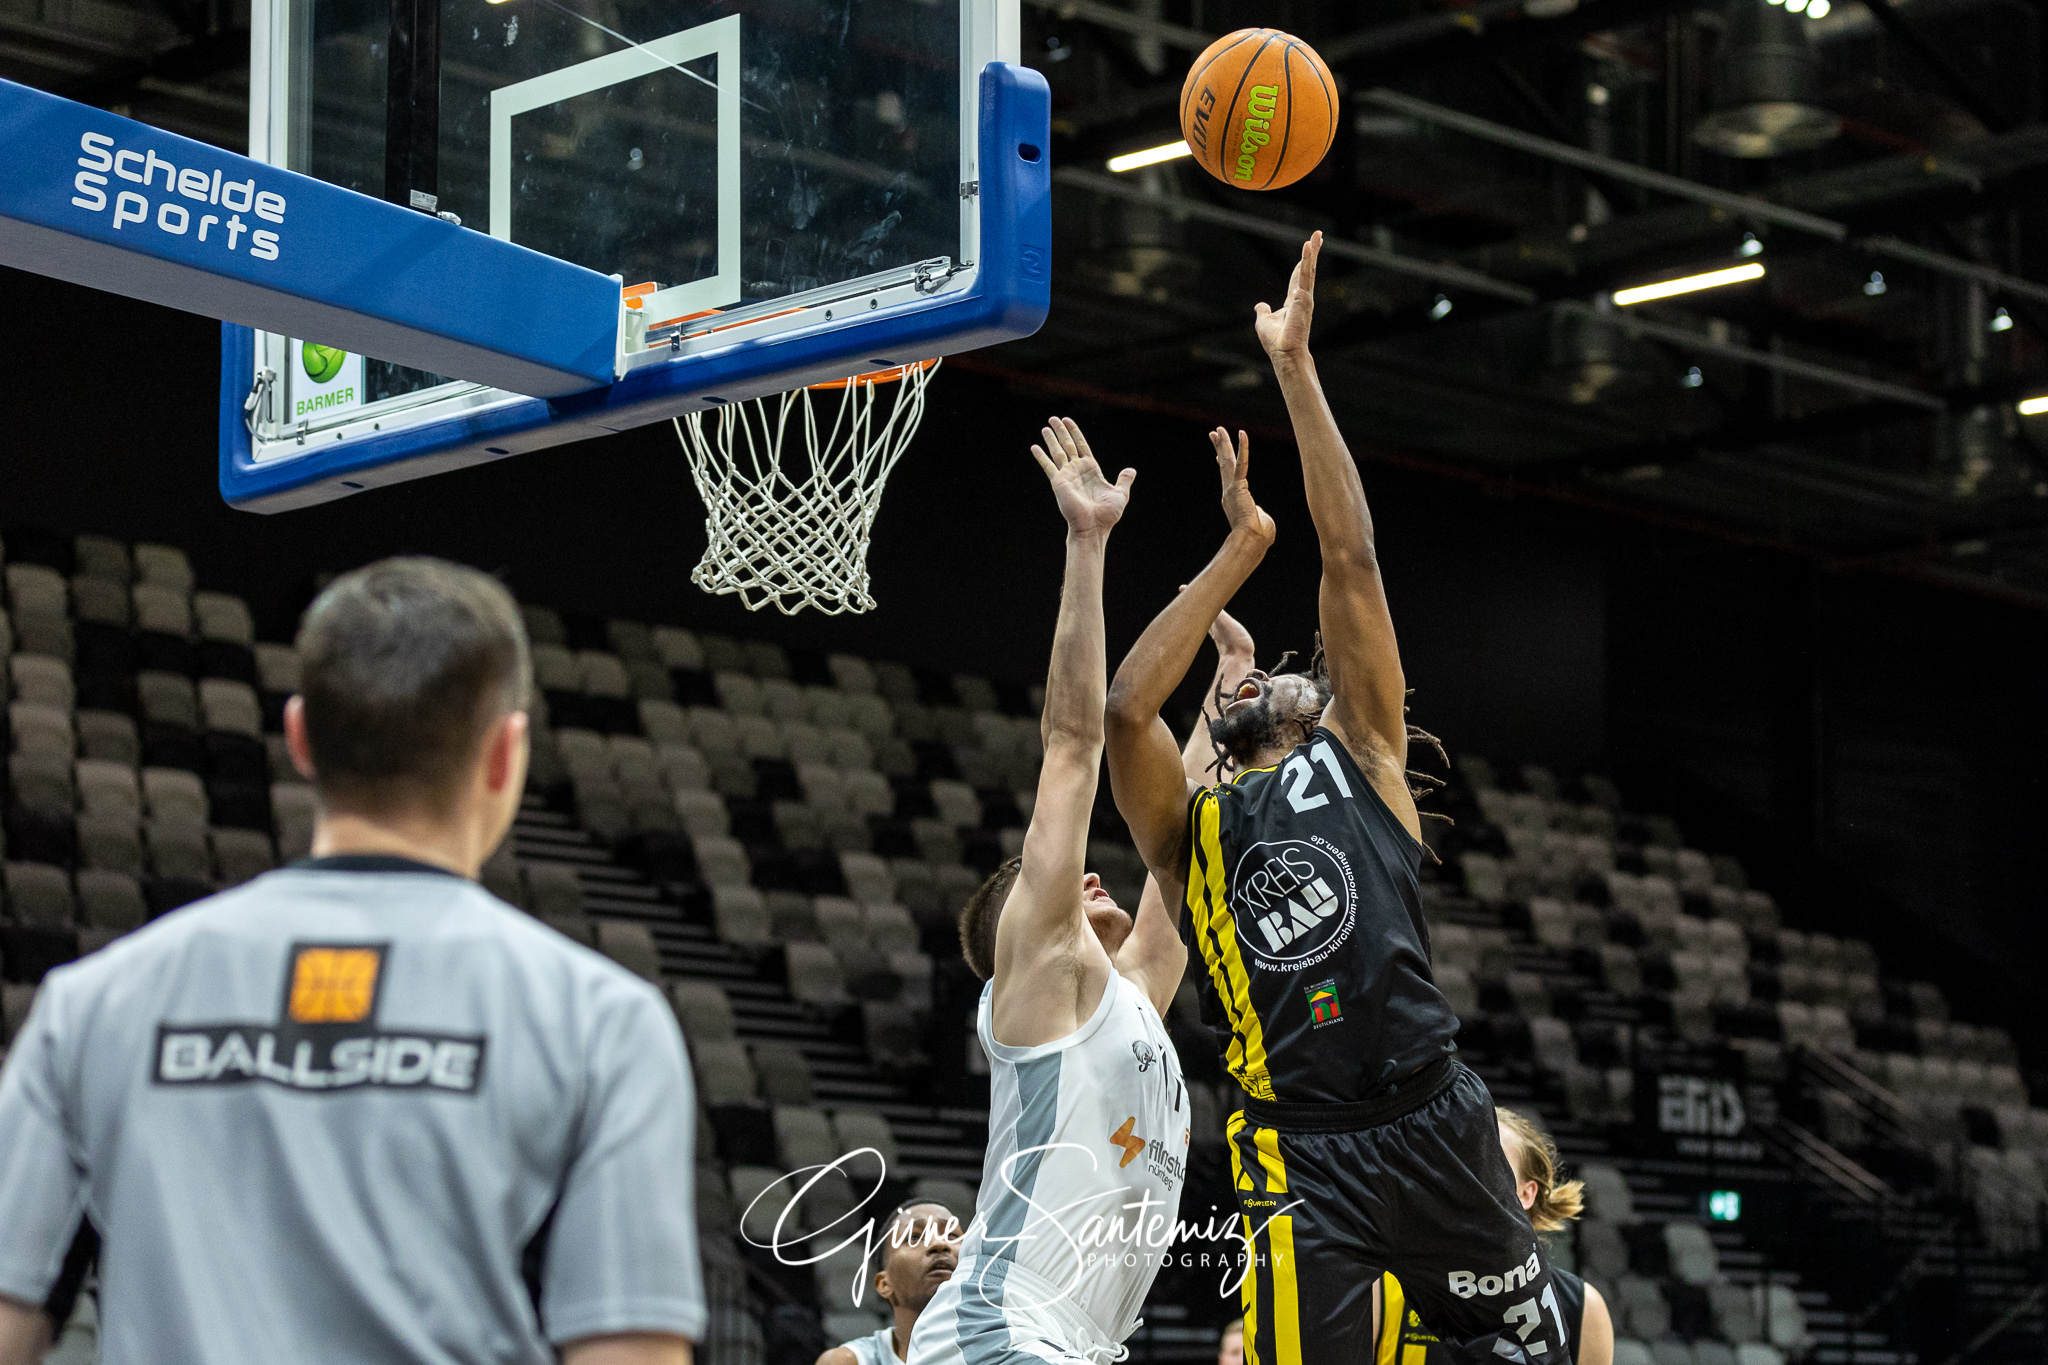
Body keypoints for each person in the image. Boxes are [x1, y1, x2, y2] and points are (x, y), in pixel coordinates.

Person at [0, 558, 703, 1365]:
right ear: (505, 753)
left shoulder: (93, 1003)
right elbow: (627, 1353)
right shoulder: (602, 1024)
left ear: (301, 737)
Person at [1103, 232, 1556, 1365]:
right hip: (1296, 1149)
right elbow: (1122, 711)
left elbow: (1351, 559)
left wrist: (1296, 369)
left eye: (1281, 669)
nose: (1263, 672)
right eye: (1244, 678)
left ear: (1312, 705)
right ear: (1223, 721)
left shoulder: (1365, 758)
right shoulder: (1189, 831)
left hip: (1433, 1114)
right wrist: (1240, 547)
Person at [907, 418, 1191, 1365]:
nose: (1089, 874)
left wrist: (1224, 707)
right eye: (1067, 885)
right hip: (1005, 1325)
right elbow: (1074, 743)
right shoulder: (1039, 977)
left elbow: (1179, 850)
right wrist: (1087, 542)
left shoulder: (1131, 1000)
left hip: (1077, 1344)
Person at [1374, 1110, 1614, 1365]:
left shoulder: (1583, 1305)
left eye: (1488, 1163)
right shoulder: (1384, 1284)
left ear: (1526, 1193)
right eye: (1459, 1162)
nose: (1469, 1178)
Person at [818, 1203, 963, 1365]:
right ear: (885, 1284)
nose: (939, 1244)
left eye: (951, 1235)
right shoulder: (848, 1361)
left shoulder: (987, 1352)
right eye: (914, 1237)